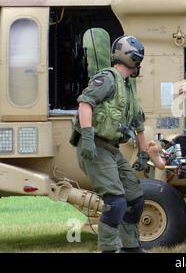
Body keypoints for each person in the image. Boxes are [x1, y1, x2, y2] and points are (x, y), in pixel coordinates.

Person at [70, 35, 149, 253]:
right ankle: (109, 249)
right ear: (131, 58)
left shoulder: (128, 86)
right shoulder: (107, 79)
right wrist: (86, 138)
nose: (139, 64)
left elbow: (138, 123)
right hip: (96, 146)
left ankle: (131, 247)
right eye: (137, 58)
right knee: (115, 203)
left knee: (135, 199)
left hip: (112, 149)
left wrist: (143, 153)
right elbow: (85, 104)